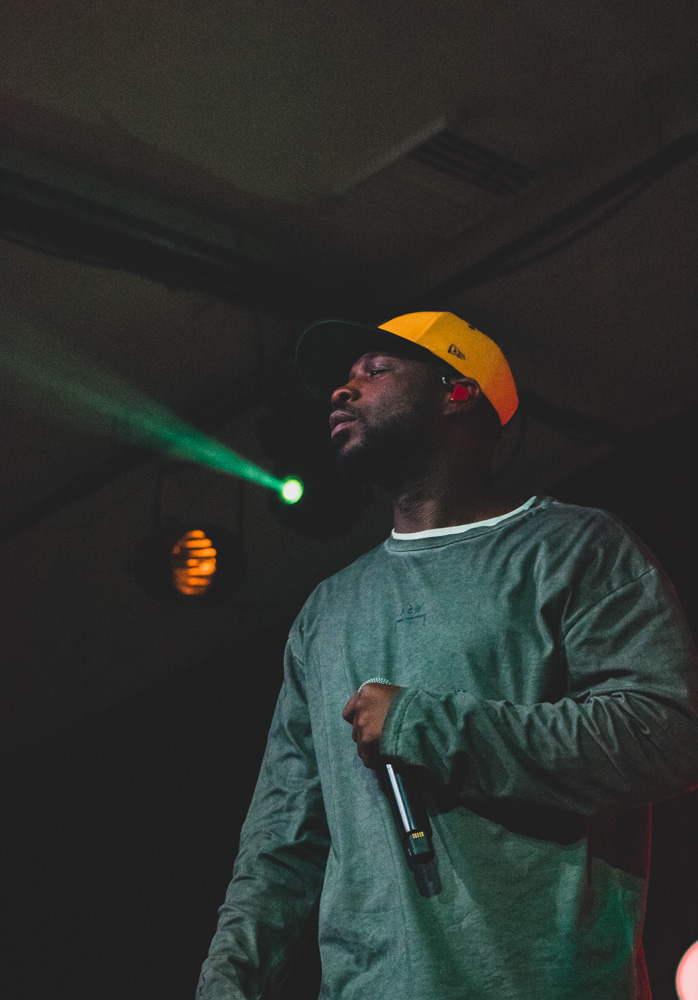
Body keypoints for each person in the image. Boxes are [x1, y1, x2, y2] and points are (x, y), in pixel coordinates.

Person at [196, 311, 698, 1000]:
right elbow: (284, 835)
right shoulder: (327, 612)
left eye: (374, 372)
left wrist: (423, 727)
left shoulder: (575, 549)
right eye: (343, 381)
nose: (343, 392)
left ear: (458, 391)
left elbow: (665, 735)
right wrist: (227, 981)